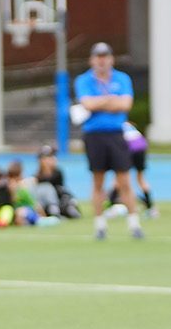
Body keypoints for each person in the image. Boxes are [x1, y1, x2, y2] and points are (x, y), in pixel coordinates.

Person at [70, 42, 145, 241]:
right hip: (94, 135)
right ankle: (100, 225)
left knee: (124, 180)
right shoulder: (84, 80)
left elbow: (125, 104)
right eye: (98, 57)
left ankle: (134, 224)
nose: (102, 61)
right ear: (92, 60)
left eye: (105, 56)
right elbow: (87, 104)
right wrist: (110, 100)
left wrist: (100, 102)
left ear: (111, 59)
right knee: (98, 180)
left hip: (116, 134)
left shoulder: (122, 78)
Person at [31, 144, 78, 219]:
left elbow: (60, 188)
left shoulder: (57, 173)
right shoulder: (37, 176)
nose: (53, 159)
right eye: (49, 157)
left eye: (53, 156)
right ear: (42, 160)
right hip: (46, 203)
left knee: (67, 200)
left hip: (58, 200)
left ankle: (65, 209)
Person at [122, 122, 155, 215]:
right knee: (140, 178)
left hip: (129, 147)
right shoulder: (127, 123)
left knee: (122, 177)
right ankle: (150, 207)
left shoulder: (112, 125)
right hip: (141, 146)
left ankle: (126, 205)